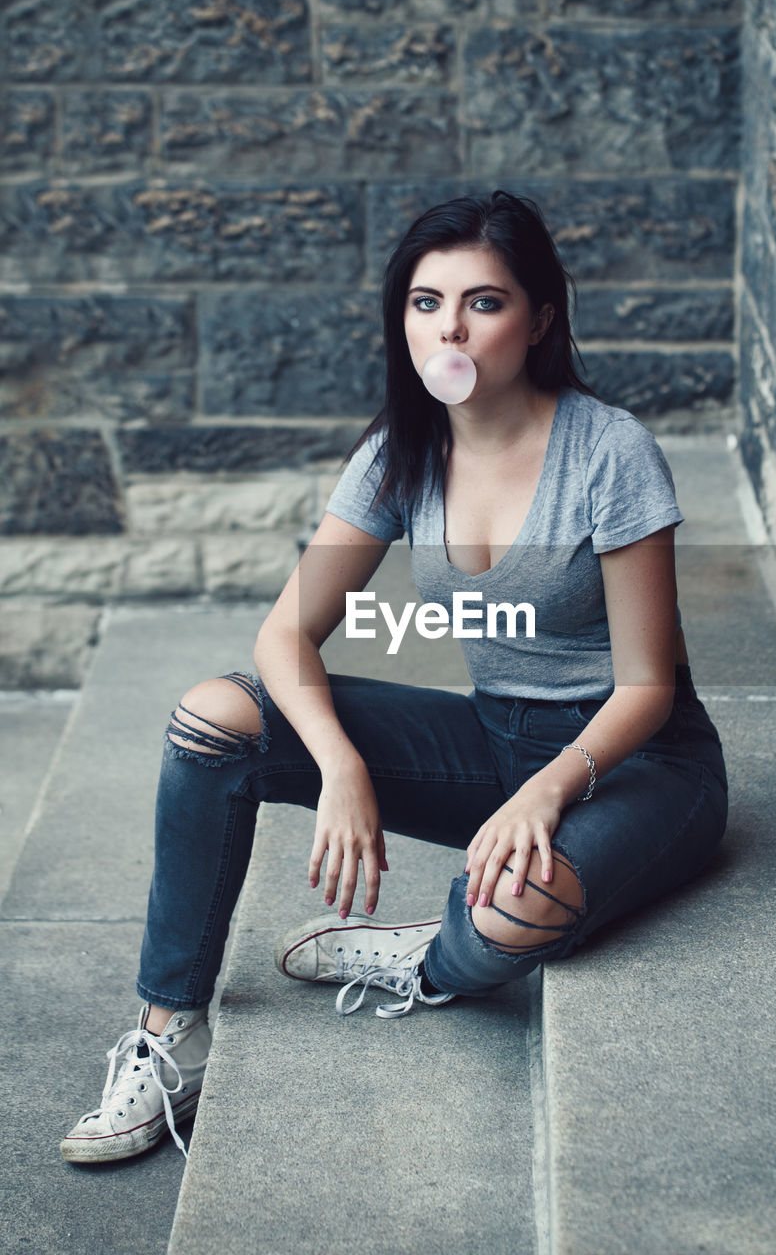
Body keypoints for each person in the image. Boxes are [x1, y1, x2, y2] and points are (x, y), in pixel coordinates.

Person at [60, 191, 728, 1164]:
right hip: (494, 734)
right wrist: (340, 766)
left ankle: (430, 949)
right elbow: (286, 632)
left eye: (483, 301)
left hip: (638, 763)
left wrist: (545, 793)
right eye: (425, 301)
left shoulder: (608, 452)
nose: (448, 327)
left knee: (510, 909)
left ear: (540, 318)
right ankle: (169, 1033)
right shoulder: (401, 452)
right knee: (216, 717)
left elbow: (645, 686)